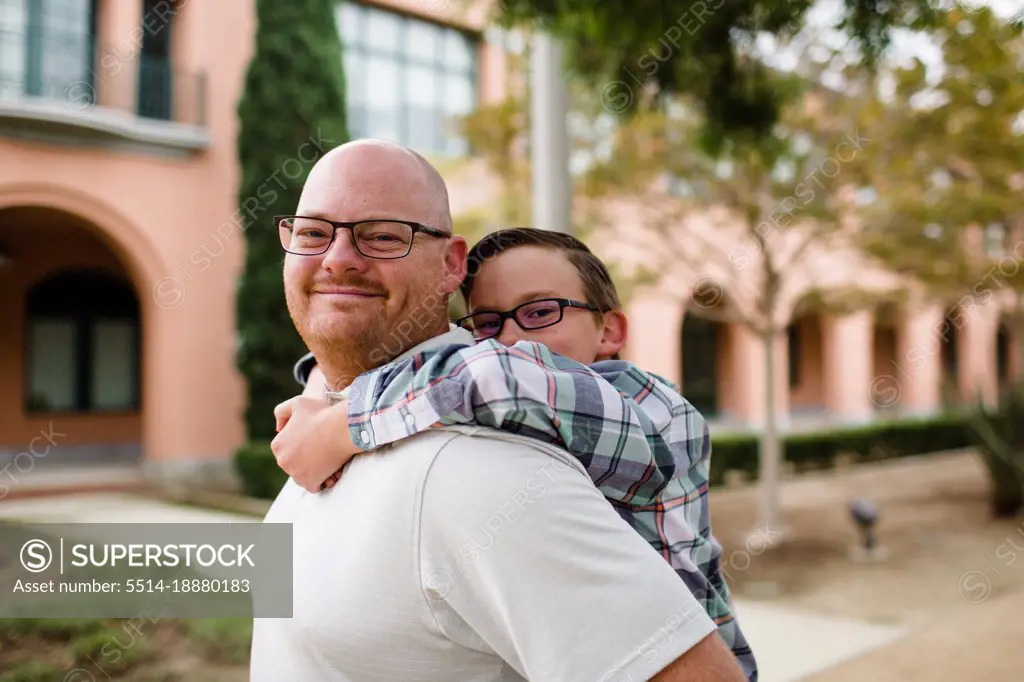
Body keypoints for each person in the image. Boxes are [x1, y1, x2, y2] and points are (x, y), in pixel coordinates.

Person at [250, 139, 748, 682]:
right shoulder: (354, 412)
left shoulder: (493, 461)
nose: (338, 258)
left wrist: (342, 422)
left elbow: (492, 378)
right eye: (312, 233)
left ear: (448, 265)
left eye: (383, 236)